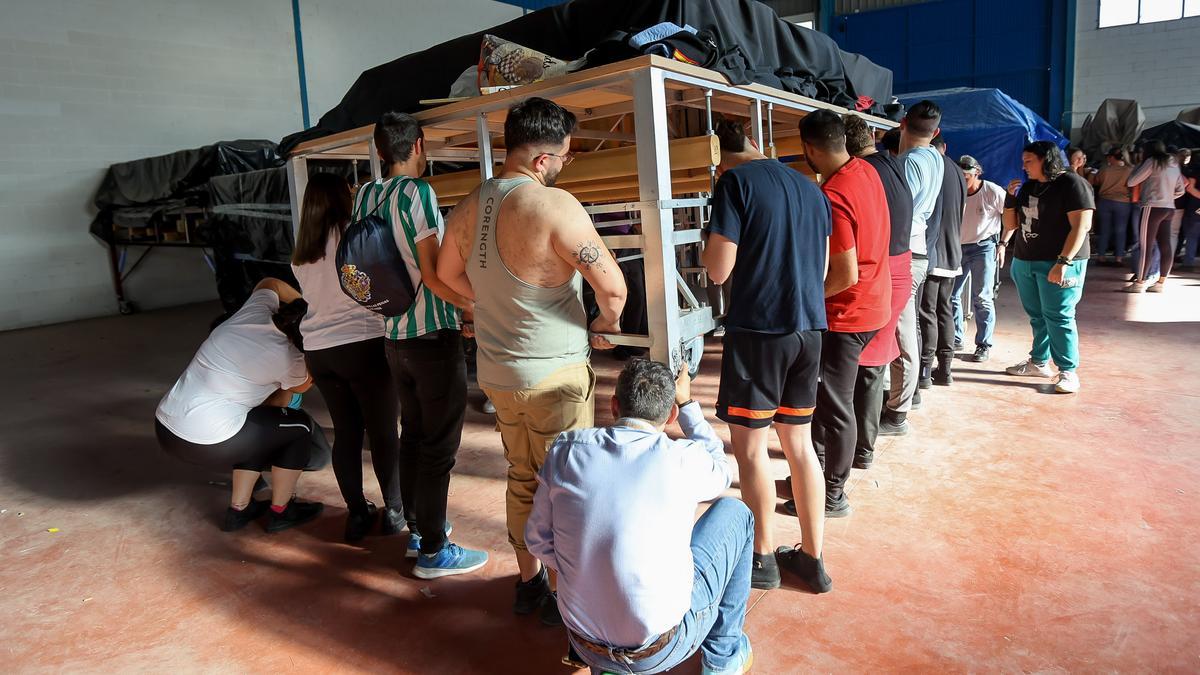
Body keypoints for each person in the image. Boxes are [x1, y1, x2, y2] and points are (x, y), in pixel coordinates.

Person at [438, 97, 628, 623]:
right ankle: (571, 596)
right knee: (568, 487)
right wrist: (604, 326)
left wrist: (486, 305)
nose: (565, 165)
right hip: (557, 374)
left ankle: (530, 585)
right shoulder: (554, 205)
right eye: (564, 156)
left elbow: (446, 275)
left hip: (499, 373)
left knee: (523, 477)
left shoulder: (470, 204)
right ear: (542, 160)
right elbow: (612, 288)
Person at [526, 360, 754, 675]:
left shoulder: (567, 450)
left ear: (614, 404)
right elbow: (721, 470)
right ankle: (722, 659)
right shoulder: (681, 459)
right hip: (659, 650)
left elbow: (536, 541)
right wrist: (687, 403)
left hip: (583, 643)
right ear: (671, 415)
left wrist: (587, 566)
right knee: (736, 513)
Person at [701, 117, 832, 593]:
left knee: (752, 447)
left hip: (760, 331)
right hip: (809, 328)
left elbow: (718, 270)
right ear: (757, 143)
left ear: (716, 155)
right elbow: (820, 266)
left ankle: (763, 558)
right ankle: (813, 559)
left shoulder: (733, 182)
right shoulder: (810, 187)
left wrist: (707, 250)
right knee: (799, 445)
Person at [355, 112, 488, 579]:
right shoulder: (418, 194)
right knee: (439, 447)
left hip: (393, 338)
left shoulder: (366, 196)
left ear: (379, 151)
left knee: (413, 436)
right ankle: (434, 549)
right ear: (418, 147)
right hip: (431, 339)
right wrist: (477, 307)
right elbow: (434, 275)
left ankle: (418, 531)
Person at [155, 278, 330, 533]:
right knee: (299, 426)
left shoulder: (254, 311)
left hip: (166, 427)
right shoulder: (291, 360)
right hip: (208, 441)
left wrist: (309, 304)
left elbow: (270, 282)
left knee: (259, 424)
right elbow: (299, 388)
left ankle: (239, 510)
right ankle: (281, 512)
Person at [290, 172, 400, 543]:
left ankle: (357, 513)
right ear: (343, 197)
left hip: (319, 352)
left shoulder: (301, 252)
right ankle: (395, 511)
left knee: (347, 434)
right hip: (362, 345)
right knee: (383, 432)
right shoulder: (356, 236)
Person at [801, 110, 891, 517]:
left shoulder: (834, 195)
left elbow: (845, 275)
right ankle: (815, 475)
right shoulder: (865, 170)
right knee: (829, 397)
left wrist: (808, 301)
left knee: (836, 404)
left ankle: (833, 494)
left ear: (809, 149)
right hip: (875, 303)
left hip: (848, 313)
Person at [840, 114, 912, 472]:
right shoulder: (890, 162)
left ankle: (859, 449)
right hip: (898, 266)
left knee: (864, 366)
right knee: (874, 360)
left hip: (883, 271)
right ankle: (861, 446)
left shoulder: (865, 174)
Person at [999, 142, 1095, 394]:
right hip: (1025, 260)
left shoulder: (1073, 184)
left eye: (1029, 160)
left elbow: (1081, 227)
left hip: (1060, 262)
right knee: (1038, 316)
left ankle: (1068, 371)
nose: (1024, 166)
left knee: (1060, 316)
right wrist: (1010, 200)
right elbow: (1012, 223)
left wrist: (1063, 262)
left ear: (1046, 159)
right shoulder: (1030, 186)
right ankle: (1039, 362)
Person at [880, 100, 945, 437]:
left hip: (905, 251)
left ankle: (898, 413)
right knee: (908, 328)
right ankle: (906, 397)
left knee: (901, 331)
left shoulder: (906, 164)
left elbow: (896, 214)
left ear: (902, 123)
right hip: (920, 250)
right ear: (936, 132)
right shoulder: (936, 157)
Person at [920, 135, 966, 386]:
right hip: (952, 251)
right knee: (944, 309)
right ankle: (946, 369)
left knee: (927, 312)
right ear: (945, 148)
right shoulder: (958, 171)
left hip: (933, 251)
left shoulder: (929, 166)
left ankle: (925, 371)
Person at [951, 155, 1005, 363]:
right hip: (959, 246)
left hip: (983, 246)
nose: (963, 180)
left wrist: (1003, 244)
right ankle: (956, 337)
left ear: (977, 174)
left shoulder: (992, 191)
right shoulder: (956, 190)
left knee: (982, 296)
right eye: (960, 176)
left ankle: (983, 344)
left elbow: (1010, 216)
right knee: (951, 294)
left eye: (966, 177)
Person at [1125, 140, 1186, 293]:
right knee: (1166, 246)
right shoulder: (1173, 163)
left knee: (1146, 246)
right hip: (1169, 208)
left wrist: (1140, 164)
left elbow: (1132, 181)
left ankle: (1139, 283)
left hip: (1152, 208)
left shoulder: (1152, 162)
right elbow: (1181, 190)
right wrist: (1167, 196)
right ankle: (1160, 283)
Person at [1090, 147, 1135, 266]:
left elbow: (1096, 181)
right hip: (1123, 203)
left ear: (1110, 157)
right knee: (1121, 231)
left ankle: (1101, 257)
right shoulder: (1130, 170)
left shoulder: (1105, 169)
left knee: (1104, 230)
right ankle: (1118, 258)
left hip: (1105, 201)